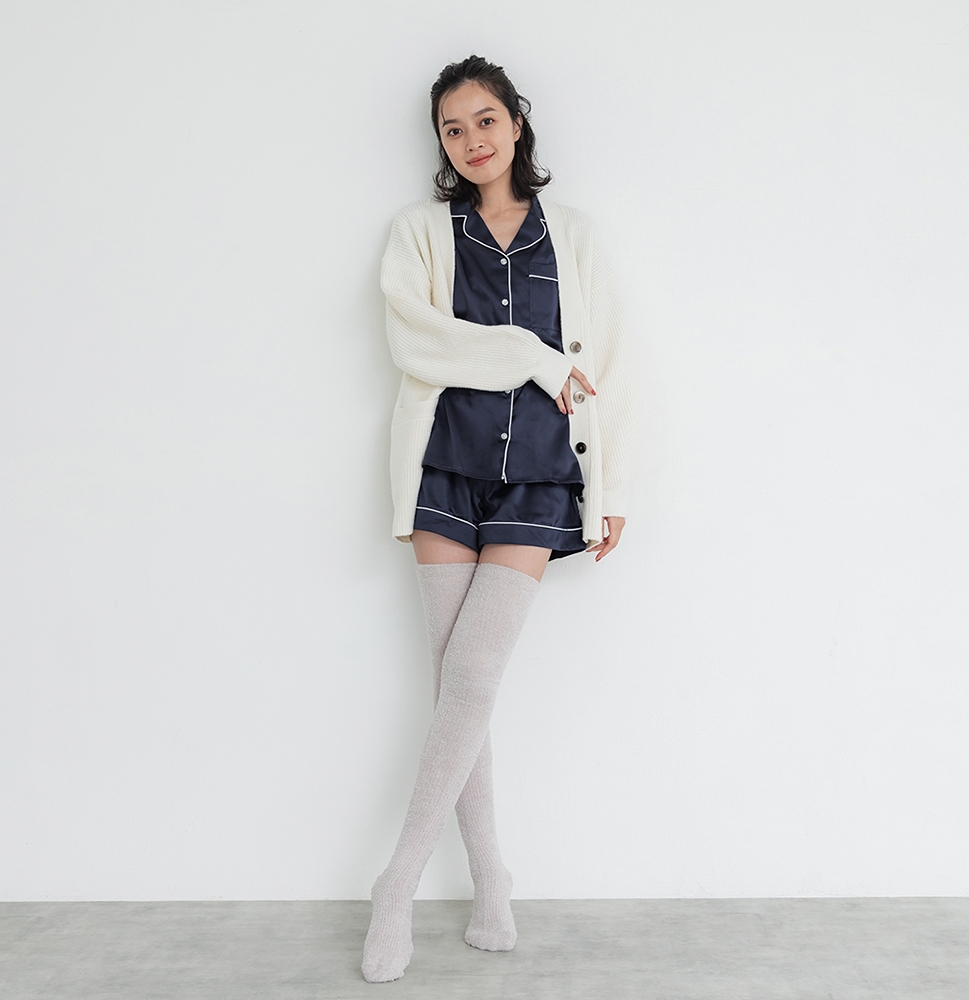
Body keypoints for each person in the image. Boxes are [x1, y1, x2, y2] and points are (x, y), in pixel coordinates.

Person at [362, 54, 635, 983]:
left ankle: (397, 882)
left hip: (541, 478)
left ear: (516, 122)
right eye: (453, 128)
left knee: (471, 675)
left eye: (485, 120)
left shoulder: (577, 236)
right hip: (445, 465)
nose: (472, 140)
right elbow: (417, 340)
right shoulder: (420, 232)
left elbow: (610, 366)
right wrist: (531, 353)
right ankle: (490, 881)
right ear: (441, 144)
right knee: (460, 688)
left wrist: (612, 490)